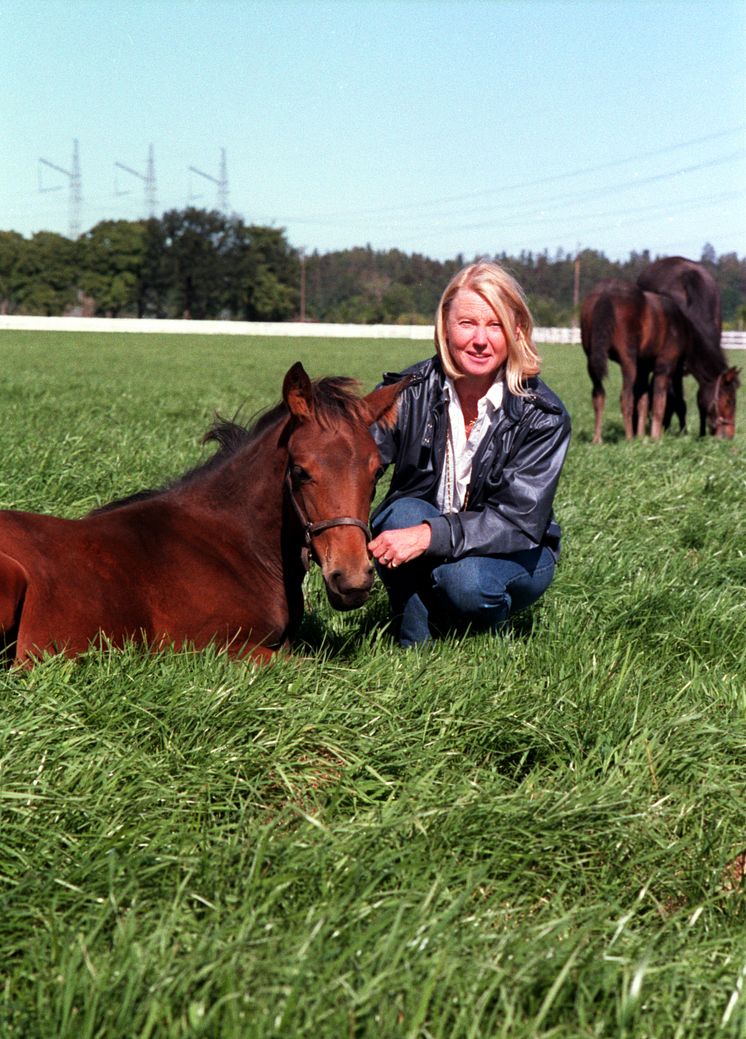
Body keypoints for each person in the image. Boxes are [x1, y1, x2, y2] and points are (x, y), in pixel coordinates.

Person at [368, 260, 571, 647]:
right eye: (467, 323)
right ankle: (414, 648)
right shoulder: (406, 393)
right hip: (426, 528)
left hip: (515, 550)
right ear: (445, 326)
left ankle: (486, 642)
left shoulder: (542, 415)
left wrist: (429, 536)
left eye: (494, 325)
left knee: (465, 582)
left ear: (516, 331)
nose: (480, 339)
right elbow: (353, 464)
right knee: (401, 514)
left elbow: (517, 522)